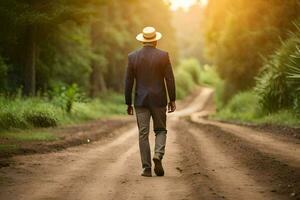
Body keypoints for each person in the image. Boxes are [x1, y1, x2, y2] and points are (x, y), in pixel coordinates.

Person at [124, 26, 176, 177]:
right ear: (156, 41)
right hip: (159, 100)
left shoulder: (132, 57)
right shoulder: (163, 56)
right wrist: (172, 99)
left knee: (143, 134)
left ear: (142, 41)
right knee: (160, 130)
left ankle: (146, 169)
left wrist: (128, 102)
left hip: (140, 100)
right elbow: (170, 79)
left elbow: (128, 82)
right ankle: (158, 155)